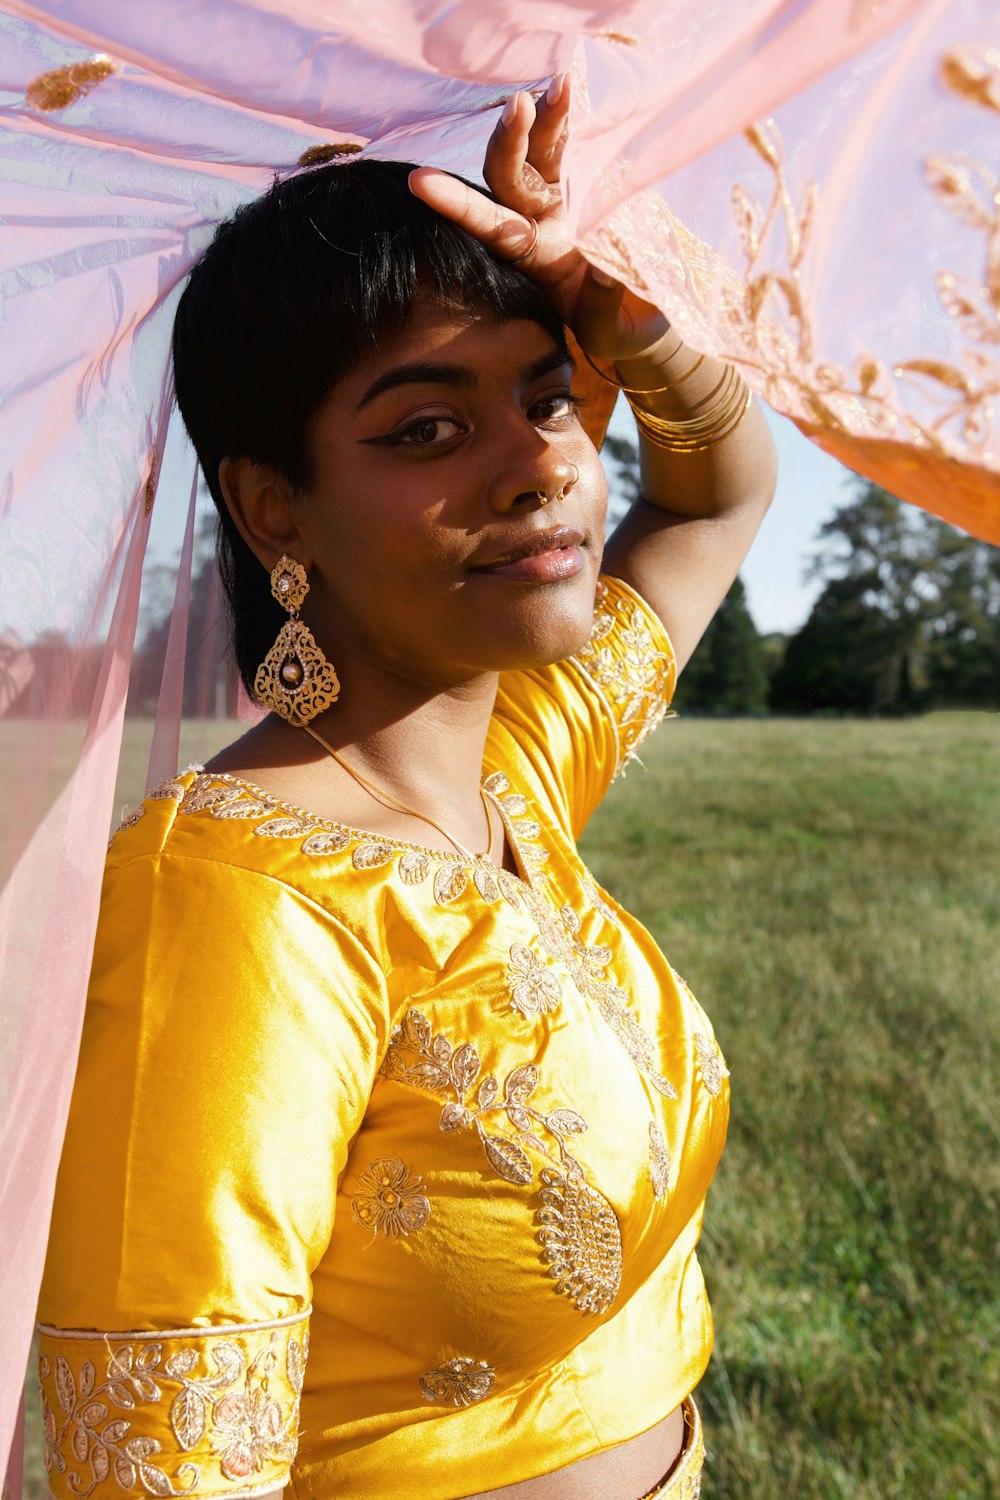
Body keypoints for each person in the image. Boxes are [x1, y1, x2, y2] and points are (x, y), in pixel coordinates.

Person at [35, 79, 776, 1500]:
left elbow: (716, 494)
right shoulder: (243, 898)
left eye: (546, 397)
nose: (539, 467)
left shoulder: (515, 766)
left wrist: (629, 323)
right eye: (426, 429)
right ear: (273, 510)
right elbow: (168, 1468)